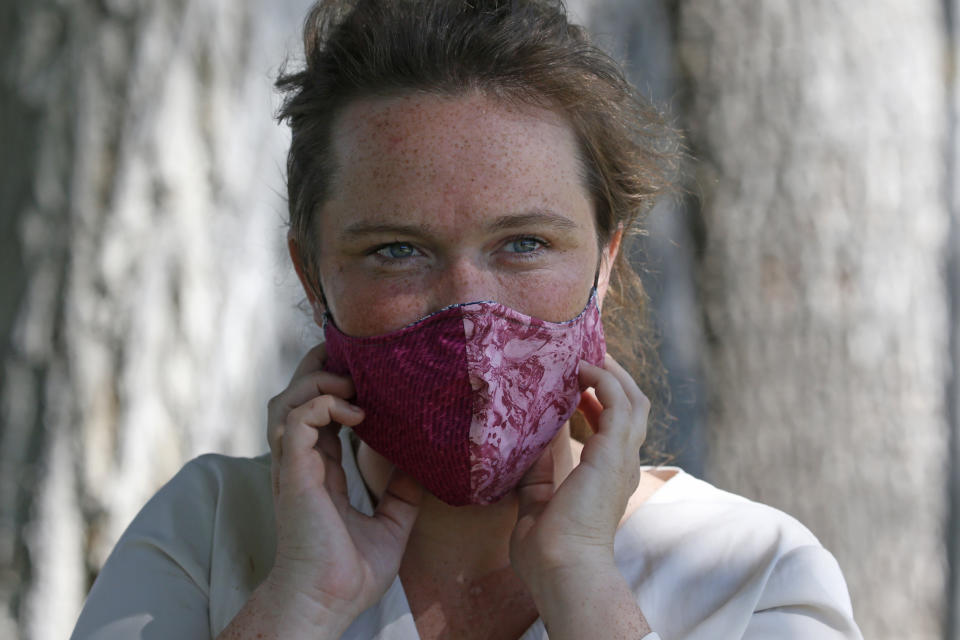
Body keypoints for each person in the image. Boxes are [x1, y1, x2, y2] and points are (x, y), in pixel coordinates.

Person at [71, 1, 863, 638]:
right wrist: (302, 606)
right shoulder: (207, 532)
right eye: (396, 251)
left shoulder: (754, 572)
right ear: (311, 272)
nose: (467, 310)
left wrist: (584, 584)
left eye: (524, 243)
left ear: (606, 259)